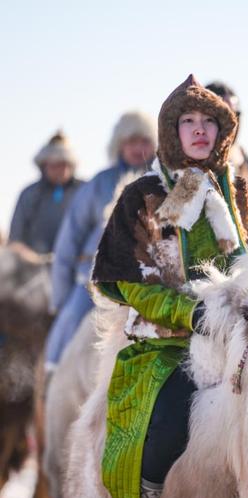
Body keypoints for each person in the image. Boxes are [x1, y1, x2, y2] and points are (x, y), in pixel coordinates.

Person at [91, 74, 248, 498]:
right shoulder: (144, 196)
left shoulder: (241, 195)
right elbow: (130, 282)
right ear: (172, 132)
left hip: (245, 337)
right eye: (188, 121)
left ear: (223, 130)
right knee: (168, 418)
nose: (199, 130)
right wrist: (192, 313)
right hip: (168, 344)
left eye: (209, 121)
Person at [44, 112, 156, 372]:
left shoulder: (161, 182)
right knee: (71, 318)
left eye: (144, 140)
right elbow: (68, 241)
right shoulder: (99, 184)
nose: (139, 147)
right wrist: (61, 300)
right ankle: (52, 374)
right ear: (119, 144)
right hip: (94, 278)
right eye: (132, 141)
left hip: (149, 278)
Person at [9, 131, 83, 254]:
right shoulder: (30, 194)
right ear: (44, 165)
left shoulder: (84, 191)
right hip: (35, 266)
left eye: (65, 164)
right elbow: (16, 235)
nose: (62, 169)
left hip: (76, 264)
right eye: (56, 164)